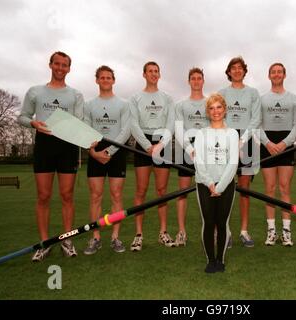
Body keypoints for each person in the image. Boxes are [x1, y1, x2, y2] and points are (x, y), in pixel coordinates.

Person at [18, 51, 84, 261]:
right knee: (44, 196)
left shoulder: (76, 95)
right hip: (44, 145)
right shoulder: (35, 92)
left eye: (64, 65)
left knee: (66, 196)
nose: (60, 68)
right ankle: (45, 243)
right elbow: (22, 116)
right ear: (50, 65)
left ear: (69, 69)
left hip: (67, 146)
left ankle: (67, 240)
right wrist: (33, 123)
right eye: (57, 64)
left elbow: (80, 122)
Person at [83, 65, 131, 255]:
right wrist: (94, 152)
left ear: (113, 80)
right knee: (95, 196)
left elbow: (125, 131)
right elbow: (86, 129)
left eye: (108, 77)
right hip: (95, 152)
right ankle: (95, 238)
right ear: (97, 80)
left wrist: (110, 151)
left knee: (116, 195)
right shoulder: (89, 105)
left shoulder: (123, 104)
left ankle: (115, 237)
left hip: (116, 152)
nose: (105, 80)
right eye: (102, 77)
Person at [129, 61, 176, 251]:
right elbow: (133, 124)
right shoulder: (135, 97)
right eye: (150, 71)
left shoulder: (167, 98)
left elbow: (171, 124)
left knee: (162, 191)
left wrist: (161, 145)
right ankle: (138, 235)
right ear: (144, 74)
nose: (154, 74)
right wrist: (148, 146)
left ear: (159, 74)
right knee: (141, 191)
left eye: (156, 71)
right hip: (143, 144)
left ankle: (163, 233)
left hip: (162, 141)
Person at [194, 93, 239, 273]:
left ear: (225, 109)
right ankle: (210, 260)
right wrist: (209, 183)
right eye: (211, 108)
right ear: (207, 111)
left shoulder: (233, 133)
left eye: (219, 107)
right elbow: (199, 161)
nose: (215, 111)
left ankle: (220, 260)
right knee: (208, 222)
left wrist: (220, 186)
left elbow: (233, 162)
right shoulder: (201, 133)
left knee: (222, 223)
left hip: (226, 185)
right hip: (204, 184)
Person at [219, 56, 261, 247]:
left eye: (240, 68)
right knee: (224, 187)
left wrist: (242, 140)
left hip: (247, 142)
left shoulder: (253, 93)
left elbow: (256, 118)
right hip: (226, 141)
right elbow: (218, 116)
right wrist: (231, 140)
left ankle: (244, 231)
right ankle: (225, 232)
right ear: (228, 72)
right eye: (233, 68)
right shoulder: (221, 92)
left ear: (244, 71)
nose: (237, 71)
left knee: (244, 188)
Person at [259, 63, 296, 246]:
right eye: (273, 72)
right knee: (269, 189)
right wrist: (267, 143)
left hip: (286, 144)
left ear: (284, 75)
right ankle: (271, 232)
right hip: (267, 144)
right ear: (269, 76)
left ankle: (286, 233)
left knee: (284, 188)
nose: (276, 74)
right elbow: (257, 125)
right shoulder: (262, 99)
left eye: (279, 72)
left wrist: (284, 144)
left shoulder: (294, 98)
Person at [174, 67, 208, 247]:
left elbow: (214, 127)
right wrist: (190, 149)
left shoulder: (210, 102)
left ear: (203, 81)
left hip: (207, 150)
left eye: (199, 78)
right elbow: (179, 130)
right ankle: (181, 232)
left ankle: (214, 231)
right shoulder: (180, 105)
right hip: (186, 151)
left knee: (211, 192)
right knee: (182, 193)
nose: (196, 81)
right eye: (193, 78)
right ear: (189, 81)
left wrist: (202, 149)